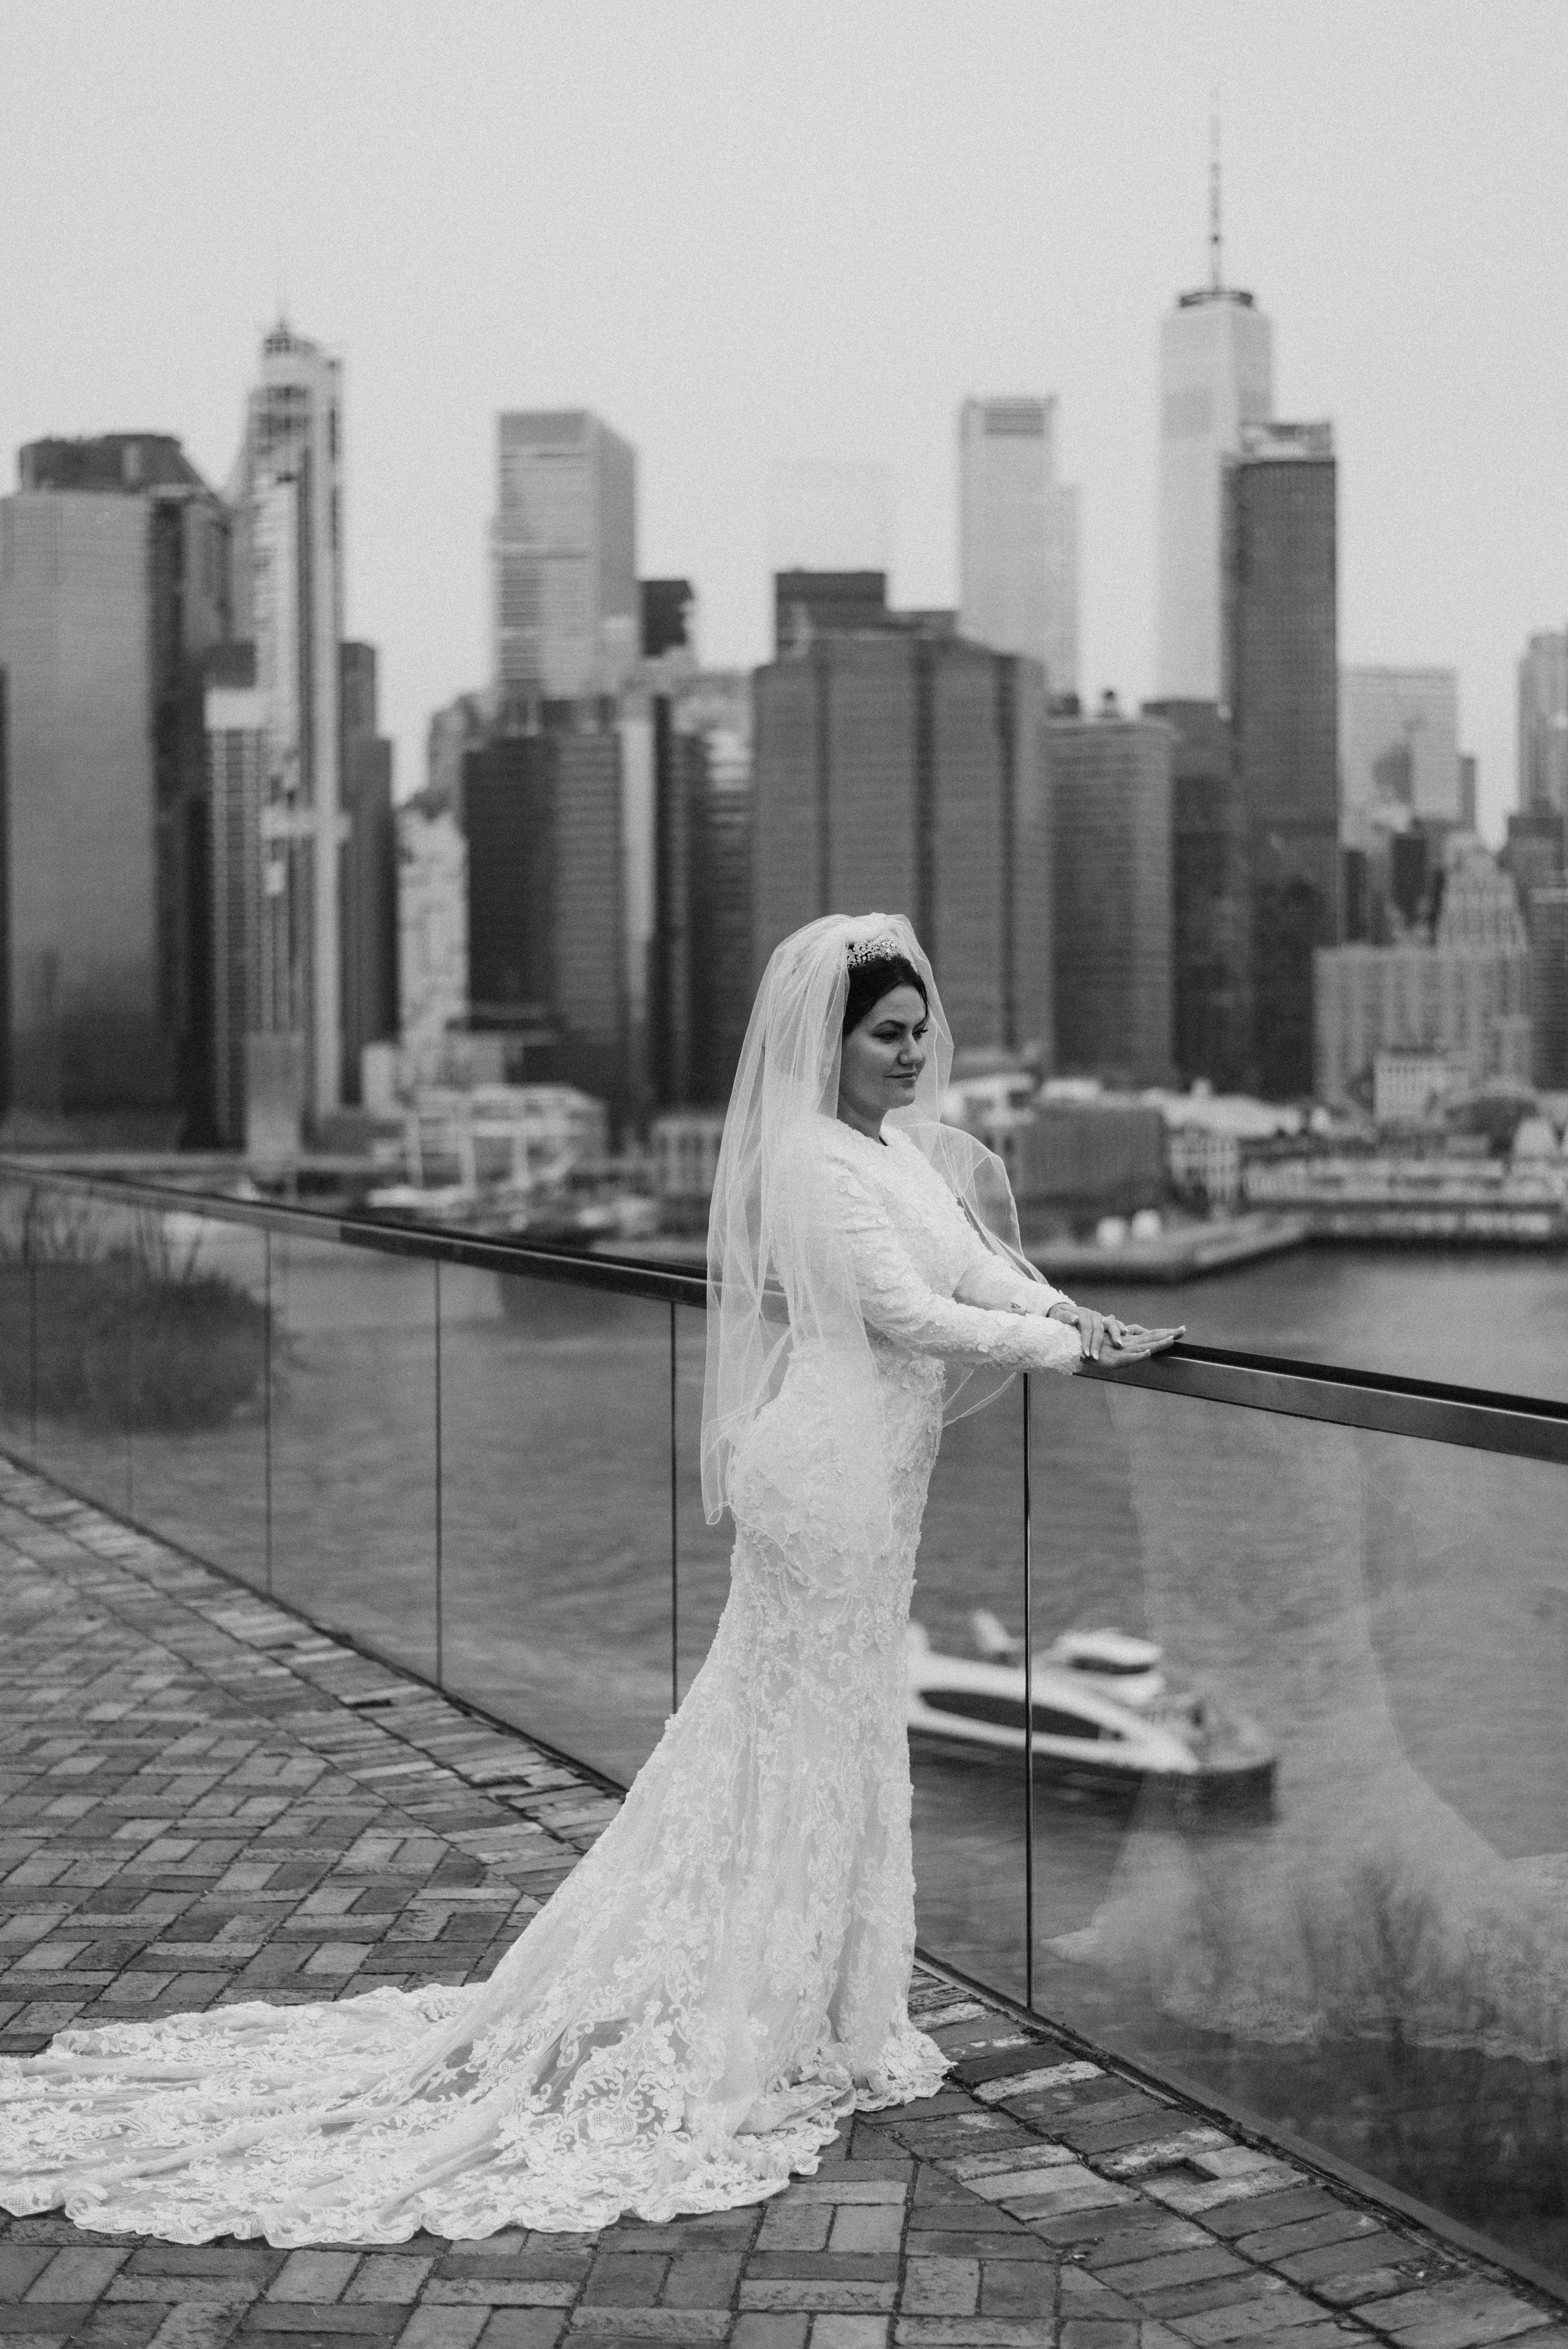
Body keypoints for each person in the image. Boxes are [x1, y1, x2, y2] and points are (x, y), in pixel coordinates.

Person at [0, 912, 1178, 2246]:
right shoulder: (806, 1159)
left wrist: (1067, 1310)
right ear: (827, 1042)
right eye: (886, 1035)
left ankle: (821, 2001)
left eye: (919, 1031)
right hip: (830, 1472)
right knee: (798, 1724)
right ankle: (757, 2009)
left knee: (833, 1730)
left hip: (881, 1479)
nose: (913, 1054)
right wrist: (1059, 1353)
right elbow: (903, 1314)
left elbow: (966, 1260)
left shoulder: (893, 1147)